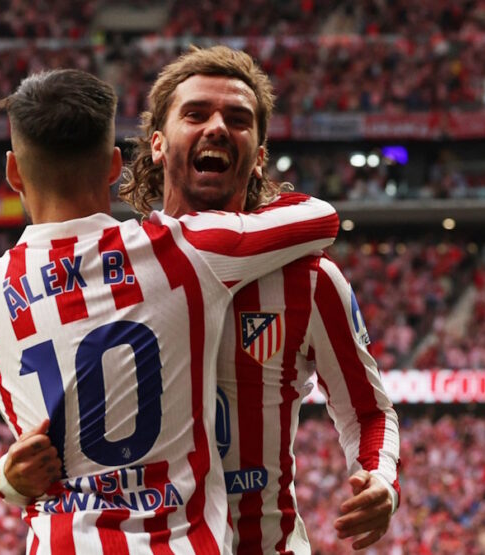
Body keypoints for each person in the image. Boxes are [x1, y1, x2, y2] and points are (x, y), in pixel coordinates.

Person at [0, 68, 339, 553]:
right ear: (115, 166)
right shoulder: (179, 250)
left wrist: (7, 480)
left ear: (14, 172)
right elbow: (321, 218)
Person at [116, 45, 401, 553]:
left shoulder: (310, 280)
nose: (217, 128)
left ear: (260, 156)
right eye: (196, 114)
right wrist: (11, 471)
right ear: (157, 144)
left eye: (238, 119)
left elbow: (368, 411)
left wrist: (380, 478)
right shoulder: (113, 271)